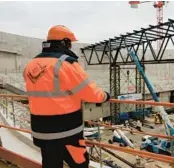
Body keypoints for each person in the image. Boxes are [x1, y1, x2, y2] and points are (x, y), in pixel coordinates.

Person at [23, 25, 110, 168]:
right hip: (66, 129)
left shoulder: (31, 64)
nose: (71, 46)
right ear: (64, 42)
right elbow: (90, 92)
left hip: (41, 129)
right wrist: (104, 96)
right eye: (70, 42)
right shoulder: (66, 63)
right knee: (79, 163)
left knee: (51, 164)